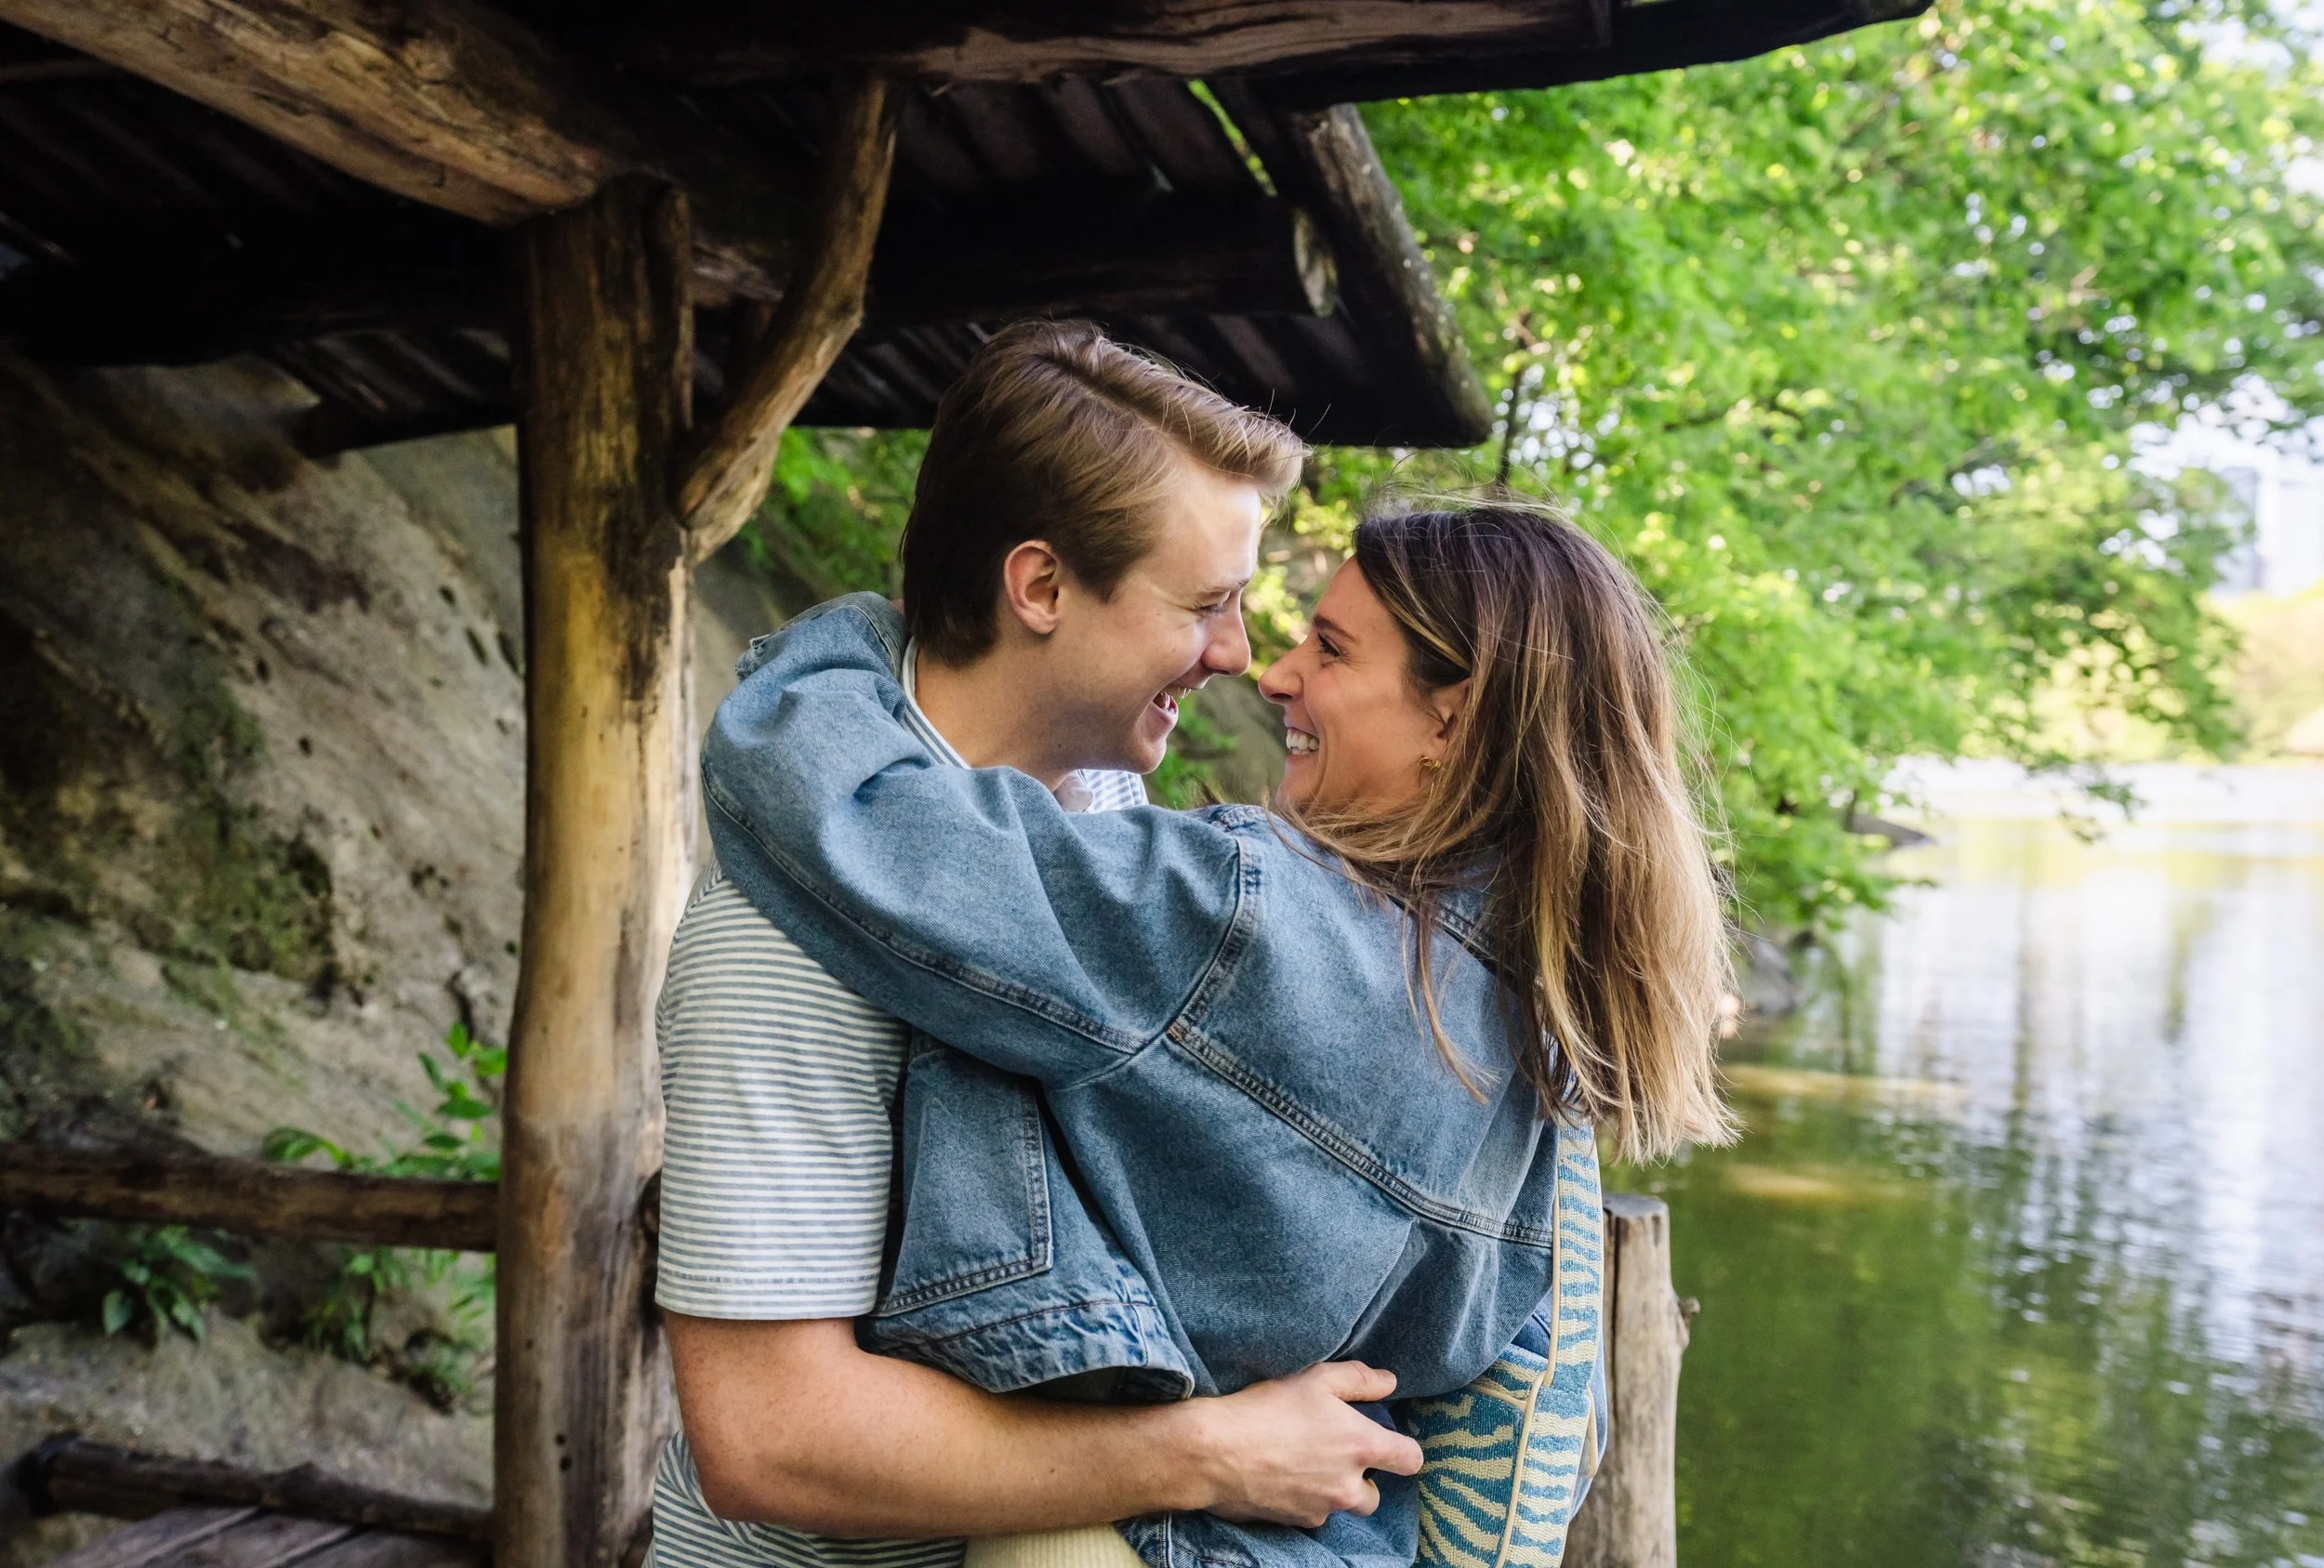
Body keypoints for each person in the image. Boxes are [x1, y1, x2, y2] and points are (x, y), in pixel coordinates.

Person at [702, 496, 1736, 1568]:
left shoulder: (1243, 917)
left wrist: (858, 639)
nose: (1272, 672)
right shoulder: (1542, 1044)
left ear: (1454, 720)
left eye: (1328, 650)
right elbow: (1547, 1438)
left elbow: (852, 819)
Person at [649, 323, 1423, 1568]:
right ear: (1043, 588)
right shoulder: (779, 950)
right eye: (1205, 607)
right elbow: (765, 1433)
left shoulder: (1102, 813)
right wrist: (1213, 1449)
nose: (1237, 657)